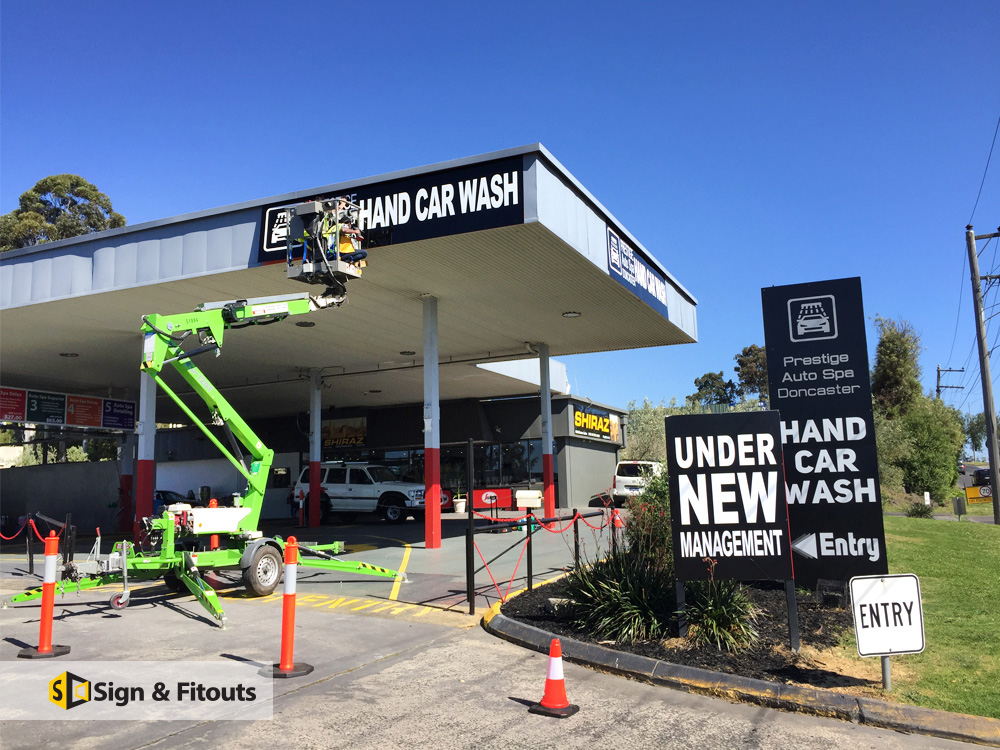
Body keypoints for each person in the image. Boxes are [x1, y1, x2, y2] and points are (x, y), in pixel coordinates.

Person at [332, 198, 367, 265]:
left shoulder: (342, 230)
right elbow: (343, 230)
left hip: (343, 252)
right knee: (364, 253)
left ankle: (347, 261)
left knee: (360, 254)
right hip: (340, 252)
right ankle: (346, 260)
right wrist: (355, 231)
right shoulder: (341, 226)